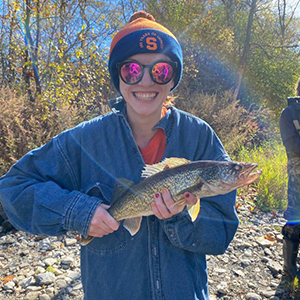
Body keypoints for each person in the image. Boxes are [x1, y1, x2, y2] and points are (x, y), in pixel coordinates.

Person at [0, 11, 239, 300]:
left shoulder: (199, 137)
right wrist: (78, 212)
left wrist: (181, 217)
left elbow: (222, 233)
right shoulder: (83, 140)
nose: (146, 81)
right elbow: (13, 189)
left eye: (160, 70)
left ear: (173, 76)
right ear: (118, 75)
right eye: (132, 70)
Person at [279, 78, 300, 282]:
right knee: (295, 217)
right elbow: (292, 145)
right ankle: (289, 267)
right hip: (298, 176)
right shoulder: (289, 114)